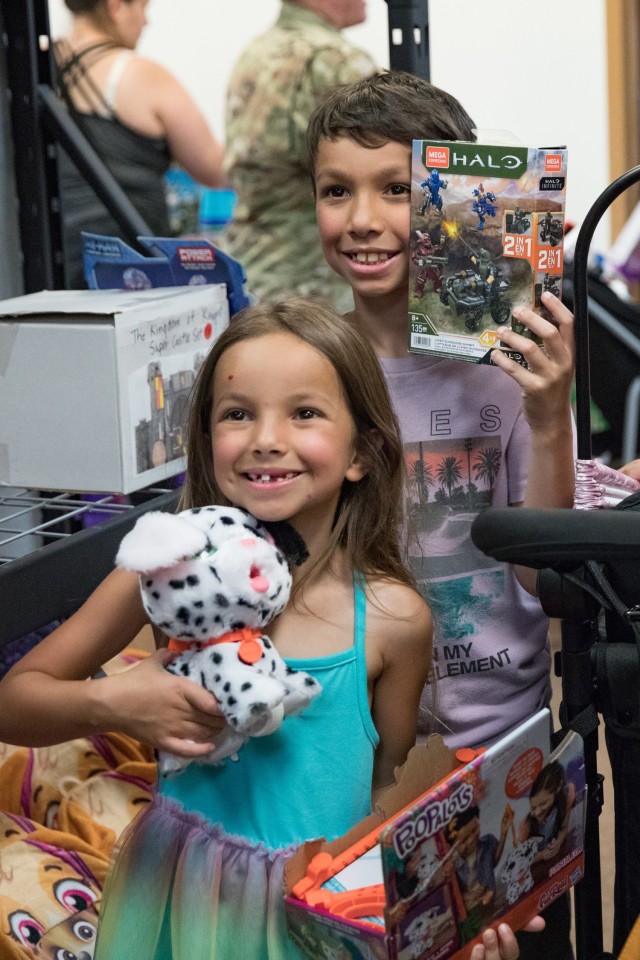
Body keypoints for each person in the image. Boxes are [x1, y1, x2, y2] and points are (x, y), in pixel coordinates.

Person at [0, 298, 433, 959]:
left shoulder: (394, 621)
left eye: (305, 412)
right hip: (178, 903)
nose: (265, 437)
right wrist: (109, 702)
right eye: (238, 414)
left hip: (315, 918)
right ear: (207, 441)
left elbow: (390, 788)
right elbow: (14, 702)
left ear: (362, 452)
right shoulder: (162, 573)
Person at [306, 70, 576, 960]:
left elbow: (546, 573)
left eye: (397, 190)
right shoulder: (308, 374)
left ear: (464, 204)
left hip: (499, 752)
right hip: (358, 762)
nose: (363, 219)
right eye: (336, 190)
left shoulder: (509, 368)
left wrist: (548, 411)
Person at [54, 0, 226, 288]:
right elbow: (215, 169)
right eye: (144, 8)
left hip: (55, 269)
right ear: (116, 6)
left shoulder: (38, 69)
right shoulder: (140, 75)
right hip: (130, 273)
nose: (146, 22)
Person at [222, 0, 377, 312]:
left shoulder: (256, 53)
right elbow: (385, 171)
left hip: (248, 276)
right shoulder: (336, 60)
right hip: (316, 293)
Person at [519, 761, 574, 865]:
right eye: (533, 807)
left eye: (543, 803)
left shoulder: (566, 797)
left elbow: (563, 828)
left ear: (557, 788)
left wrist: (558, 842)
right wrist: (543, 855)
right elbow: (521, 858)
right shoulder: (526, 825)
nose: (537, 812)